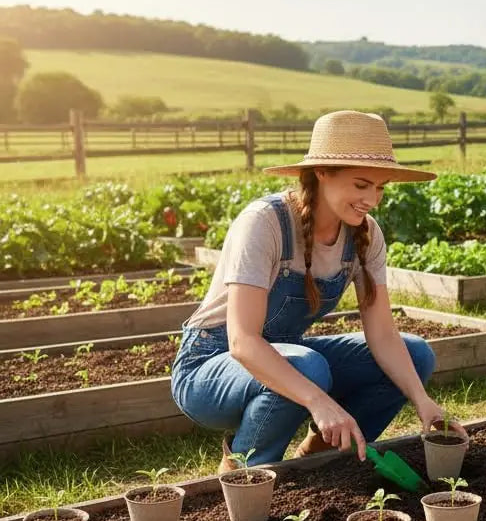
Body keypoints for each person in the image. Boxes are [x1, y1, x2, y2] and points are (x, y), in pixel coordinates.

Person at [171, 110, 464, 473]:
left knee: (416, 354)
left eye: (380, 187)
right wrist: (318, 401)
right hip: (210, 368)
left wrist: (422, 401)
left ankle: (323, 458)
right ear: (322, 172)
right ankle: (246, 472)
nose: (372, 199)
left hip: (289, 355)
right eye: (361, 185)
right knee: (308, 366)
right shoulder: (265, 223)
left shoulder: (366, 235)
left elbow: (383, 334)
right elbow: (242, 342)